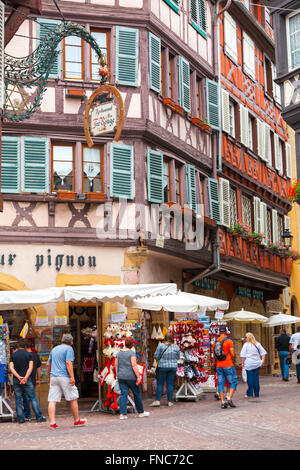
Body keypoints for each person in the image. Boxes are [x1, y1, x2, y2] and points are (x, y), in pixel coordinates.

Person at [47, 333, 87, 429]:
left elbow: (48, 364)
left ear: (62, 340)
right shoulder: (69, 349)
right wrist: (72, 377)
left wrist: (49, 377)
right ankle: (76, 420)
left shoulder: (54, 349)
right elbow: (68, 363)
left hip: (54, 377)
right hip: (64, 376)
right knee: (73, 397)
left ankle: (52, 423)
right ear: (72, 342)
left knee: (52, 400)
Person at [9, 338, 46, 424]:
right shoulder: (29, 355)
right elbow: (31, 367)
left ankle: (21, 418)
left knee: (18, 399)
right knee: (33, 398)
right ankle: (39, 417)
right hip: (27, 380)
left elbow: (11, 368)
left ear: (18, 346)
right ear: (25, 346)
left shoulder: (13, 355)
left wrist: (19, 377)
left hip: (16, 380)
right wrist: (25, 377)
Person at [115, 336, 150, 420]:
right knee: (136, 393)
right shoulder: (131, 353)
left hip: (121, 376)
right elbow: (134, 365)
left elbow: (116, 365)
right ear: (132, 344)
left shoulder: (118, 353)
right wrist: (138, 376)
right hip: (131, 377)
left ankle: (122, 414)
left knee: (123, 394)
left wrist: (117, 374)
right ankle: (141, 412)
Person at [150, 332, 180, 407]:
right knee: (170, 384)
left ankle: (157, 401)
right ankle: (170, 401)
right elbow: (178, 357)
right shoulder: (176, 347)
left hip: (162, 366)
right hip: (172, 367)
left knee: (160, 384)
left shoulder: (160, 346)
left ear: (165, 337)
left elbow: (156, 356)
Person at [214, 325, 238, 409]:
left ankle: (222, 402)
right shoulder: (229, 341)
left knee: (220, 383)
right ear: (226, 332)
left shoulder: (215, 342)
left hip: (219, 365)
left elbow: (215, 355)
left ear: (219, 332)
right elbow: (232, 353)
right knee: (233, 382)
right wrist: (234, 359)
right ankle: (228, 398)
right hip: (228, 364)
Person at [240, 332, 267, 399]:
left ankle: (250, 393)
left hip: (249, 364)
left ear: (248, 338)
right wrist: (262, 361)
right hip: (256, 363)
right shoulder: (257, 344)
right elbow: (263, 353)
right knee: (256, 379)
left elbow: (243, 356)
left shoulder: (246, 345)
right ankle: (257, 393)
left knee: (250, 379)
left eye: (245, 337)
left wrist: (242, 363)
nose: (245, 339)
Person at [22, 340, 42, 421]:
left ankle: (28, 416)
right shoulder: (36, 355)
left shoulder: (24, 356)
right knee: (33, 397)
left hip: (25, 379)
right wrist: (39, 379)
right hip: (33, 379)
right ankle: (38, 415)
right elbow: (39, 369)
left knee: (26, 398)